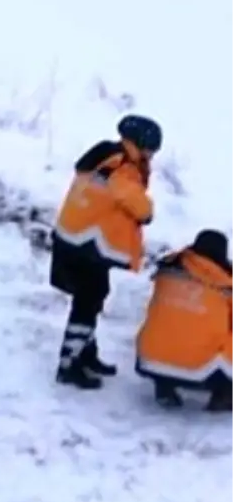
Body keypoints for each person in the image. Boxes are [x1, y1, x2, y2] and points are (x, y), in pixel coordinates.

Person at [50, 113, 162, 388]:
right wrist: (147, 210)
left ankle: (86, 354)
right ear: (140, 143)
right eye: (150, 149)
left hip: (75, 239)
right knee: (87, 304)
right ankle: (69, 365)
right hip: (89, 245)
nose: (151, 155)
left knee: (93, 298)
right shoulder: (123, 166)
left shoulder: (105, 155)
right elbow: (135, 203)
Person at [135, 229, 233, 411]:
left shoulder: (167, 270)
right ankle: (225, 393)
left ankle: (164, 385)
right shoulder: (225, 285)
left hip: (149, 358)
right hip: (195, 363)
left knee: (170, 321)